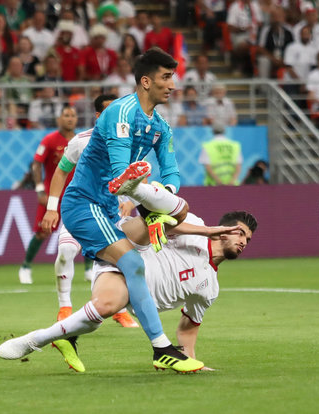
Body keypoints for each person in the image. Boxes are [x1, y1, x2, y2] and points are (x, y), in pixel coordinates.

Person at [47, 47, 204, 373]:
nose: (172, 84)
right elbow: (121, 176)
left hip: (110, 211)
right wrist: (151, 198)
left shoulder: (161, 125)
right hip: (84, 204)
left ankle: (68, 335)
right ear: (145, 81)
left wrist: (167, 194)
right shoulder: (120, 113)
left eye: (173, 76)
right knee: (131, 264)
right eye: (165, 77)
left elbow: (172, 171)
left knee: (115, 293)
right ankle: (162, 348)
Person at [0, 210, 257, 372]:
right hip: (121, 258)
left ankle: (67, 335)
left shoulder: (210, 287)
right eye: (240, 233)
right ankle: (35, 340)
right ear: (224, 230)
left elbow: (188, 327)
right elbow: (164, 223)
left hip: (139, 300)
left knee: (93, 320)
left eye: (247, 239)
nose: (244, 241)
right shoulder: (197, 227)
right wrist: (206, 230)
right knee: (108, 303)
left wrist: (191, 362)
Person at [40, 94, 138, 327]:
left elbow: (138, 176)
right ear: (98, 116)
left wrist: (131, 202)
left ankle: (118, 308)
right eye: (109, 111)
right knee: (65, 250)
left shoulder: (128, 143)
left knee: (121, 259)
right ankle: (64, 307)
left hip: (112, 212)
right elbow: (61, 171)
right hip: (82, 208)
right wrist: (52, 208)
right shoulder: (80, 141)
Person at [18, 106, 79, 284]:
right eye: (66, 115)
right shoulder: (49, 140)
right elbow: (36, 165)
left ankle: (90, 270)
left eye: (73, 115)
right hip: (53, 194)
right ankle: (26, 266)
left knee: (87, 230)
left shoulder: (80, 140)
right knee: (43, 232)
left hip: (75, 195)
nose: (70, 118)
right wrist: (39, 189)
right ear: (59, 119)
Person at [200, 119, 242, 186]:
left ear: (212, 131)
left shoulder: (207, 146)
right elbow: (238, 167)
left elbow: (208, 167)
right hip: (233, 185)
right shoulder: (235, 145)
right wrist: (231, 182)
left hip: (213, 185)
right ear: (224, 131)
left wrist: (219, 182)